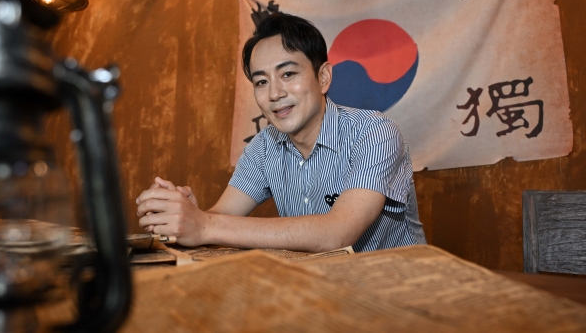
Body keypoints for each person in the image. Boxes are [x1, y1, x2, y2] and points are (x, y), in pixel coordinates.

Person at [136, 13, 426, 253]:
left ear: (323, 77)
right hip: (320, 297)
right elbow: (221, 217)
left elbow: (337, 235)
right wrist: (182, 214)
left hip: (399, 299)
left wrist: (203, 225)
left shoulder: (374, 132)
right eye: (261, 82)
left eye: (288, 74)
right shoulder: (264, 145)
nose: (275, 93)